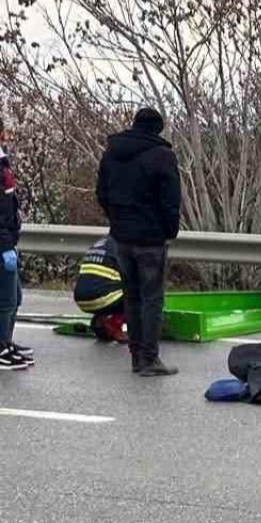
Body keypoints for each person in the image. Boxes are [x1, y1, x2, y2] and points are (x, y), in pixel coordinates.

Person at [97, 108, 181, 377]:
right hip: (151, 238)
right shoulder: (163, 156)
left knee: (131, 297)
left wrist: (116, 220)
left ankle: (135, 357)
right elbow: (170, 201)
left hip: (121, 236)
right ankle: (150, 358)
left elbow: (102, 193)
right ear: (158, 128)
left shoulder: (112, 152)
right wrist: (169, 231)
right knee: (151, 298)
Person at [0, 142, 32, 370]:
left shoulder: (3, 163)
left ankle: (6, 342)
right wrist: (4, 245)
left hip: (8, 238)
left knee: (15, 298)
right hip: (2, 242)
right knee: (6, 300)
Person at [73, 236, 128, 343]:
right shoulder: (127, 242)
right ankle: (115, 322)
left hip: (81, 299)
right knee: (142, 294)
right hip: (103, 298)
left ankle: (101, 320)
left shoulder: (103, 241)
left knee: (110, 284)